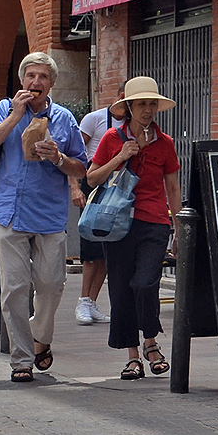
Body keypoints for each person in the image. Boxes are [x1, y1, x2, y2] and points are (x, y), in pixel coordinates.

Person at [0, 51, 88, 382]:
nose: (36, 82)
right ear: (22, 80)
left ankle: (41, 339)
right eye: (30, 76)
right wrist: (14, 115)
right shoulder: (4, 109)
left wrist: (58, 158)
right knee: (14, 289)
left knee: (51, 284)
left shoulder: (64, 119)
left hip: (49, 213)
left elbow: (82, 167)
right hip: (7, 211)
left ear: (52, 84)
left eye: (43, 77)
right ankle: (21, 359)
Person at [85, 76, 182, 380]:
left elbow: (174, 188)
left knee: (145, 282)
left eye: (152, 104)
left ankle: (151, 341)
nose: (147, 110)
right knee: (121, 289)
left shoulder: (165, 143)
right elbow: (91, 178)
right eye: (141, 104)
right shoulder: (112, 138)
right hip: (116, 223)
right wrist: (121, 156)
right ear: (129, 107)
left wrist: (179, 228)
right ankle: (133, 355)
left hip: (154, 222)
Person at [73, 97, 127, 325]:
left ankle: (92, 302)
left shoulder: (134, 127)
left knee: (108, 249)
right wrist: (75, 188)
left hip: (119, 188)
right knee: (91, 249)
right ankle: (83, 301)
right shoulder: (94, 119)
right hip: (93, 184)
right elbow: (74, 153)